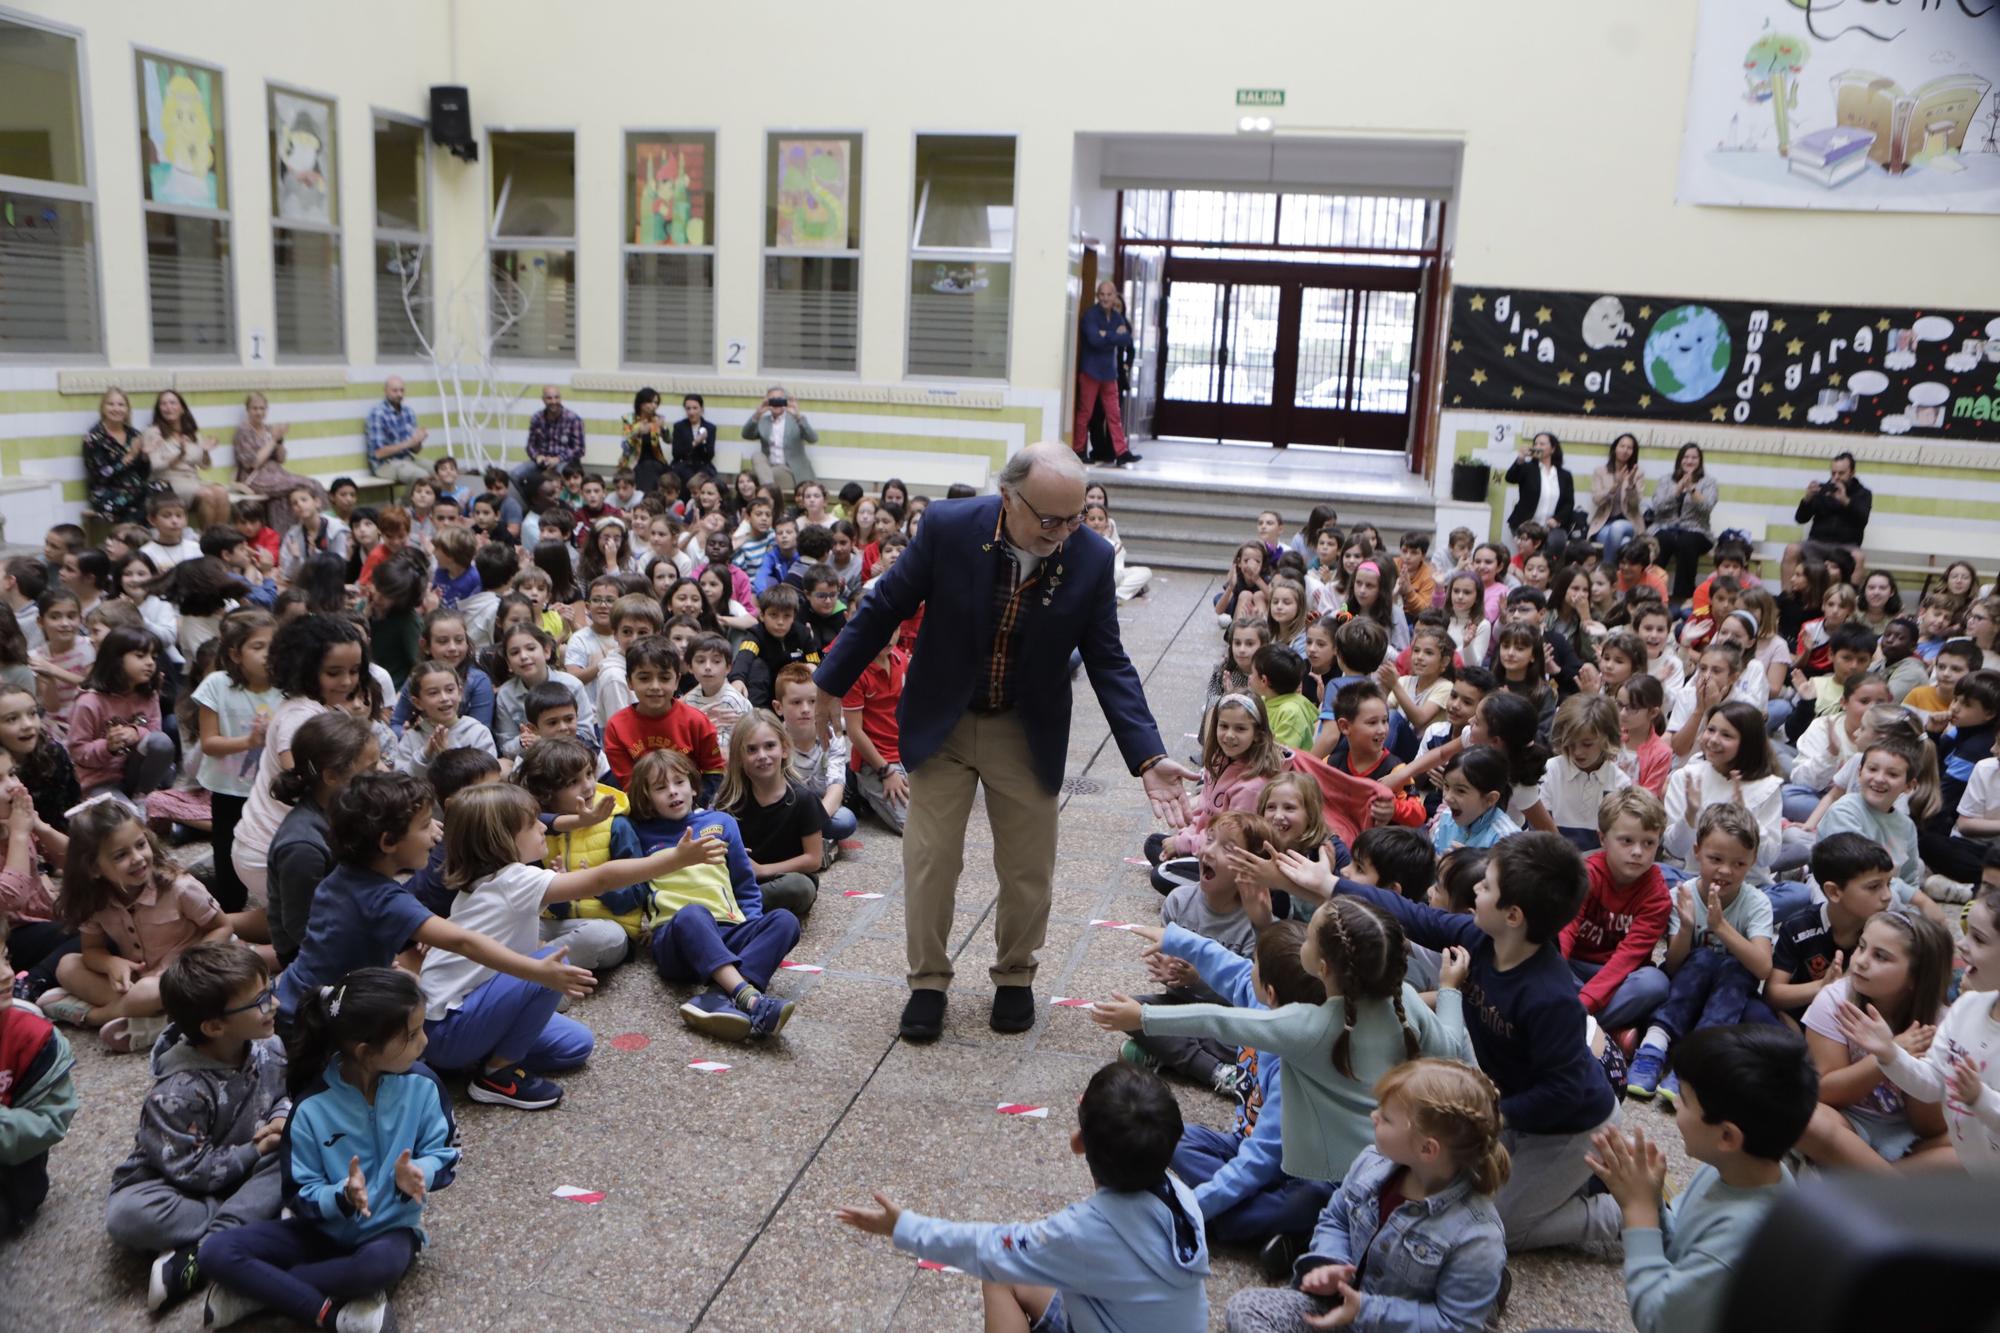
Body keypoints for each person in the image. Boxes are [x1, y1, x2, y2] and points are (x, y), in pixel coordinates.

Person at [814, 445, 1192, 1039]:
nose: (1064, 533)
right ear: (1010, 498)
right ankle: (928, 983)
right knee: (931, 860)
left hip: (1025, 726)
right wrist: (829, 682)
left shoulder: (1089, 557)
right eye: (1051, 520)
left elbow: (1109, 659)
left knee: (1028, 868)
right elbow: (886, 604)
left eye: (1075, 520)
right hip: (944, 720)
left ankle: (1015, 976)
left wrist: (1146, 754)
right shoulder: (948, 527)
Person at [836, 1062, 1209, 1333]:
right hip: (1127, 1317)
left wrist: (903, 1227)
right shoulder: (1182, 1198)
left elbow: (987, 1248)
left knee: (999, 1273)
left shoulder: (1083, 1233)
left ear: (1077, 1143)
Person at [196, 967, 453, 1330]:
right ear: (366, 1052)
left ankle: (259, 1292)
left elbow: (444, 1155)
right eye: (411, 1035)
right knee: (215, 1251)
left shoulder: (424, 1087)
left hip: (390, 1231)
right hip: (319, 1230)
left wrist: (418, 1173)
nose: (424, 1042)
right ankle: (331, 1316)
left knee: (376, 1268)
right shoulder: (311, 1106)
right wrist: (344, 1196)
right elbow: (300, 1192)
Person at [1223, 1059, 1510, 1333]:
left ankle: (1492, 1295)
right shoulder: (1370, 1163)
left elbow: (1455, 1324)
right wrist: (1331, 1263)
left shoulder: (1478, 1236)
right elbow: (1336, 1219)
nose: (1373, 1117)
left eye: (1385, 1117)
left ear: (1427, 1149)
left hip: (1393, 1324)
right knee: (1246, 1308)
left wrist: (1366, 1309)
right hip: (1345, 1307)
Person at [1589, 1024, 1817, 1333]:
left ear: (1727, 1136)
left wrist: (1638, 1212)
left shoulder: (1738, 1240)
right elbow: (1680, 1246)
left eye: (1683, 1098)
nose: (1676, 1105)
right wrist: (1653, 1200)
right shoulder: (1735, 1169)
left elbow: (1658, 1319)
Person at [103, 942, 287, 1313]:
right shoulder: (177, 1091)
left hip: (243, 1172)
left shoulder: (271, 1048)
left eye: (271, 991)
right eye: (262, 1001)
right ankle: (239, 1230)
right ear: (215, 1026)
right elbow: (188, 1168)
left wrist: (282, 1117)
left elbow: (284, 1094)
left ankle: (205, 1245)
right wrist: (255, 1151)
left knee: (298, 1148)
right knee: (127, 1215)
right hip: (178, 1184)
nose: (276, 1005)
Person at [1837, 884, 2000, 1174]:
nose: (1962, 946)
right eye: (1966, 934)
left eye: (1979, 939)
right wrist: (1890, 1054)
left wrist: (1980, 1098)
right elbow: (1931, 1084)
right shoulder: (1966, 1007)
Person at [1626, 804, 1776, 1104]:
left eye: (1738, 864)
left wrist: (1720, 928)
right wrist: (1684, 927)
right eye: (1715, 859)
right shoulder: (1681, 894)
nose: (1725, 871)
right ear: (1697, 852)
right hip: (1686, 990)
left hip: (1728, 999)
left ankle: (1692, 1063)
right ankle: (1653, 1047)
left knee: (1738, 973)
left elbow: (1762, 969)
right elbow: (1673, 966)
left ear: (1752, 862)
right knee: (1703, 959)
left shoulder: (1756, 902)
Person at [0, 917, 79, 1240]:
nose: (7, 973)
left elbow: (52, 1119)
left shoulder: (33, 1037)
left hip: (10, 1177)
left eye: (4, 957)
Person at [1072, 281, 1140, 467]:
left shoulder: (1118, 317)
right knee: (1085, 413)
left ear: (1114, 296)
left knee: (1114, 415)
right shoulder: (1090, 316)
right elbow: (1094, 340)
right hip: (1091, 372)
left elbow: (1126, 339)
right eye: (1102, 294)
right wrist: (1113, 335)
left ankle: (1121, 452)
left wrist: (1105, 334)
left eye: (1109, 295)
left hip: (1110, 374)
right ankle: (1078, 450)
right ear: (1097, 295)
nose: (1105, 298)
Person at [1785, 451, 1872, 588]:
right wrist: (1807, 499)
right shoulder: (1823, 489)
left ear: (1852, 472)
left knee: (1859, 557)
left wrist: (1846, 501)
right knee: (1791, 549)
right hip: (1817, 543)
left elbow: (1862, 520)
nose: (1836, 478)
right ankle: (1787, 597)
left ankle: (1849, 600)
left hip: (1846, 546)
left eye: (1841, 473)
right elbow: (1800, 519)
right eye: (1833, 473)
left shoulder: (1863, 493)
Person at [1646, 443, 1718, 606]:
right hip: (1666, 527)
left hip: (1697, 531)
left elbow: (1707, 508)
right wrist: (1677, 489)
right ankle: (1653, 592)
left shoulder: (1709, 482)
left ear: (1700, 461)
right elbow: (1658, 507)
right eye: (1686, 457)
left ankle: (1682, 597)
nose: (1690, 461)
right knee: (1662, 540)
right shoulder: (1666, 480)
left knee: (1687, 541)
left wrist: (1692, 489)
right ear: (1680, 460)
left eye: (1694, 457)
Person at [232, 392, 322, 509]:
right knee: (309, 484)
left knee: (283, 500)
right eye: (255, 408)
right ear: (248, 410)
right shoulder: (244, 431)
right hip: (256, 478)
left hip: (277, 473)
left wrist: (279, 440)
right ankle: (321, 521)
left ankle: (314, 523)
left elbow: (281, 459)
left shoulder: (269, 429)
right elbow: (253, 463)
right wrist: (273, 440)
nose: (259, 412)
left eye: (262, 408)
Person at [83, 386, 152, 525]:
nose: (116, 409)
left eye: (121, 405)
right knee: (140, 500)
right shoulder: (94, 438)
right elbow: (101, 476)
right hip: (107, 495)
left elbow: (143, 475)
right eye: (111, 404)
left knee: (163, 488)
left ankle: (150, 538)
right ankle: (132, 540)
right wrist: (129, 458)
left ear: (127, 410)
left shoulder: (134, 435)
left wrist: (144, 457)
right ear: (103, 408)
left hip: (135, 491)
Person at [1506, 430, 1576, 564]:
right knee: (1528, 551)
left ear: (1553, 449)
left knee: (1556, 544)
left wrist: (1557, 519)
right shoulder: (1527, 468)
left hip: (1551, 526)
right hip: (1526, 523)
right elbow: (1510, 478)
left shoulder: (1564, 475)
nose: (1538, 446)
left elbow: (1569, 503)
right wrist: (1520, 458)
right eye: (1536, 443)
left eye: (1542, 444)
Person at [512, 384, 585, 503]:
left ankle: (561, 505)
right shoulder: (537, 418)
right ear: (543, 400)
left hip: (564, 462)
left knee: (562, 478)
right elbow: (530, 445)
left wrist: (558, 458)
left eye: (556, 397)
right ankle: (530, 503)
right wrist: (537, 456)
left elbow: (580, 449)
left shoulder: (573, 419)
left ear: (560, 398)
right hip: (541, 461)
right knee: (515, 474)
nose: (553, 401)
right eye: (549, 398)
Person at [739, 385, 818, 493]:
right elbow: (746, 435)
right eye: (772, 399)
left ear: (786, 401)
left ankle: (767, 493)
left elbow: (813, 438)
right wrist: (757, 414)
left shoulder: (795, 420)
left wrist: (798, 417)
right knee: (757, 456)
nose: (776, 402)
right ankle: (771, 492)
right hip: (768, 470)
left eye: (779, 399)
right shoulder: (763, 421)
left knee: (757, 479)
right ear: (767, 402)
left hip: (791, 472)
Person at [1589, 432, 1646, 568]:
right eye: (1622, 446)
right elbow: (1596, 499)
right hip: (1604, 524)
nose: (1625, 450)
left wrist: (1630, 484)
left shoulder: (1637, 473)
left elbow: (1635, 505)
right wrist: (1614, 486)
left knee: (1618, 527)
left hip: (1629, 523)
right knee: (1623, 542)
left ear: (1633, 452)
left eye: (1629, 448)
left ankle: (1607, 572)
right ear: (1615, 448)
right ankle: (1617, 577)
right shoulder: (1600, 471)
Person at [363, 375, 429, 486]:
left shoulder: (408, 412)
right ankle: (406, 502)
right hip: (384, 465)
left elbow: (416, 451)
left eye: (402, 390)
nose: (399, 394)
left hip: (407, 459)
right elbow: (378, 453)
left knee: (439, 470)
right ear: (385, 391)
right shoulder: (378, 414)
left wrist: (418, 440)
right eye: (395, 391)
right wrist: (408, 443)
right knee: (421, 476)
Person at [670, 393, 717, 492]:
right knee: (685, 477)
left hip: (702, 465)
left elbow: (710, 455)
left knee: (703, 479)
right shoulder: (679, 426)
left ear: (701, 409)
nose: (691, 412)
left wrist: (703, 442)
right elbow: (676, 453)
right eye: (688, 408)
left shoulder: (710, 427)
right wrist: (695, 443)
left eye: (695, 408)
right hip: (683, 464)